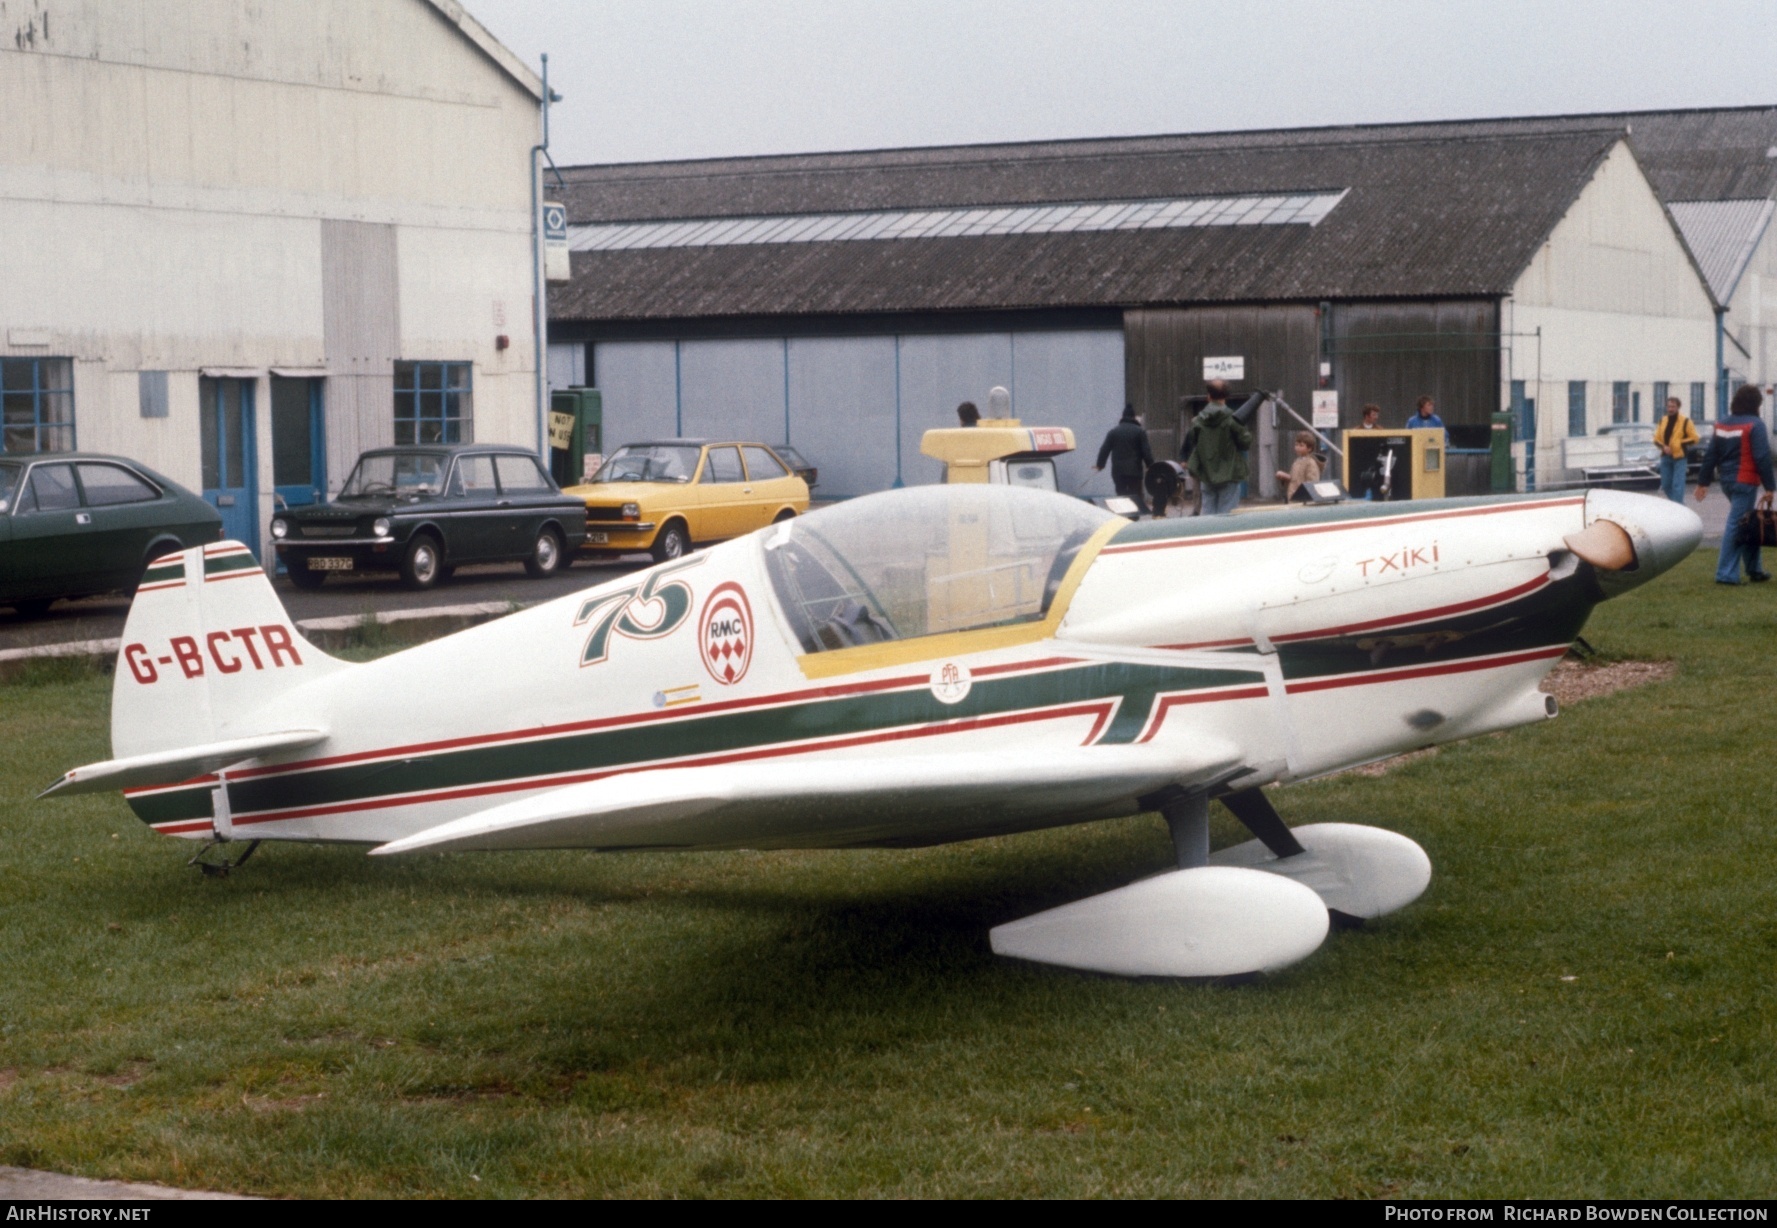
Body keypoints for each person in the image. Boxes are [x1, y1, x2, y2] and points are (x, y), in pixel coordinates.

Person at [1694, 383, 1776, 585]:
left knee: (1748, 522)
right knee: (1737, 525)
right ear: (1756, 403)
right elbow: (1762, 456)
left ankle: (1754, 570)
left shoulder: (1722, 424)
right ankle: (1726, 574)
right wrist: (1770, 487)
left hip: (1726, 481)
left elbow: (1711, 454)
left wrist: (1703, 482)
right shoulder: (1755, 424)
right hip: (1746, 481)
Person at [1182, 379, 1252, 515]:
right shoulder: (1233, 419)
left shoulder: (1197, 421)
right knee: (1227, 517)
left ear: (1208, 396)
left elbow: (1193, 441)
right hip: (1229, 474)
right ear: (1226, 396)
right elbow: (1246, 443)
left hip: (1206, 474)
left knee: (1207, 514)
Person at [1093, 403, 1154, 517]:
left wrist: (1100, 465)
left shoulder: (1114, 432)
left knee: (1121, 495)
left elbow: (1104, 449)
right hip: (1135, 471)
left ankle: (1122, 517)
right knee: (1135, 496)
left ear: (1122, 417)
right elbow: (1146, 451)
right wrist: (1151, 465)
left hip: (1118, 471)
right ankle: (1134, 517)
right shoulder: (1139, 432)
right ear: (1134, 417)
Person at [1654, 394, 1698, 504]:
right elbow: (1656, 439)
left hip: (1680, 457)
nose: (1670, 409)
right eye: (1668, 406)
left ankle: (1677, 507)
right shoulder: (1662, 421)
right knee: (1666, 484)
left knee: (1678, 485)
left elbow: (1695, 438)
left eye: (1673, 406)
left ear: (1678, 407)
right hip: (1665, 457)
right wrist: (1663, 447)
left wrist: (1679, 443)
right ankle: (1680, 506)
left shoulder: (1685, 421)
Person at [1276, 431, 1323, 502]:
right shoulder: (1297, 461)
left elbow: (1312, 483)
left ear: (1309, 448)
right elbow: (1294, 480)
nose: (1297, 447)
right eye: (1296, 445)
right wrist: (1285, 477)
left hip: (1304, 501)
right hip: (1293, 498)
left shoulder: (1310, 463)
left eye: (1301, 445)